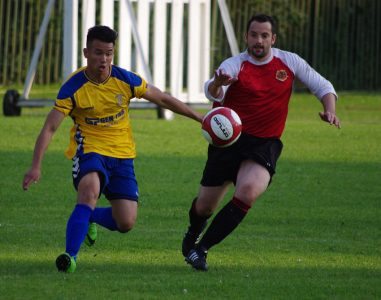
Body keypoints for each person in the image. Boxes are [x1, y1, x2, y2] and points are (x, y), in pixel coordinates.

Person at [22, 25, 203, 273]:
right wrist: (35, 166)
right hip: (90, 150)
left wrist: (200, 118)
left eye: (109, 53)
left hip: (122, 155)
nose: (104, 59)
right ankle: (70, 257)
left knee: (126, 221)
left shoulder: (124, 80)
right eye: (98, 53)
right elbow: (50, 128)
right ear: (86, 52)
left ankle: (89, 217)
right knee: (89, 190)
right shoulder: (74, 87)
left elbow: (162, 98)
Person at [182, 14, 341, 271]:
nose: (259, 40)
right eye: (254, 35)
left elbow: (323, 86)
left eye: (264, 35)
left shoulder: (288, 61)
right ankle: (192, 234)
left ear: (273, 38)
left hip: (263, 144)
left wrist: (330, 109)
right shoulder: (235, 64)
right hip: (228, 142)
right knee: (204, 206)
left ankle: (201, 249)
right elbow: (213, 90)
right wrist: (218, 84)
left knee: (248, 191)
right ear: (246, 37)